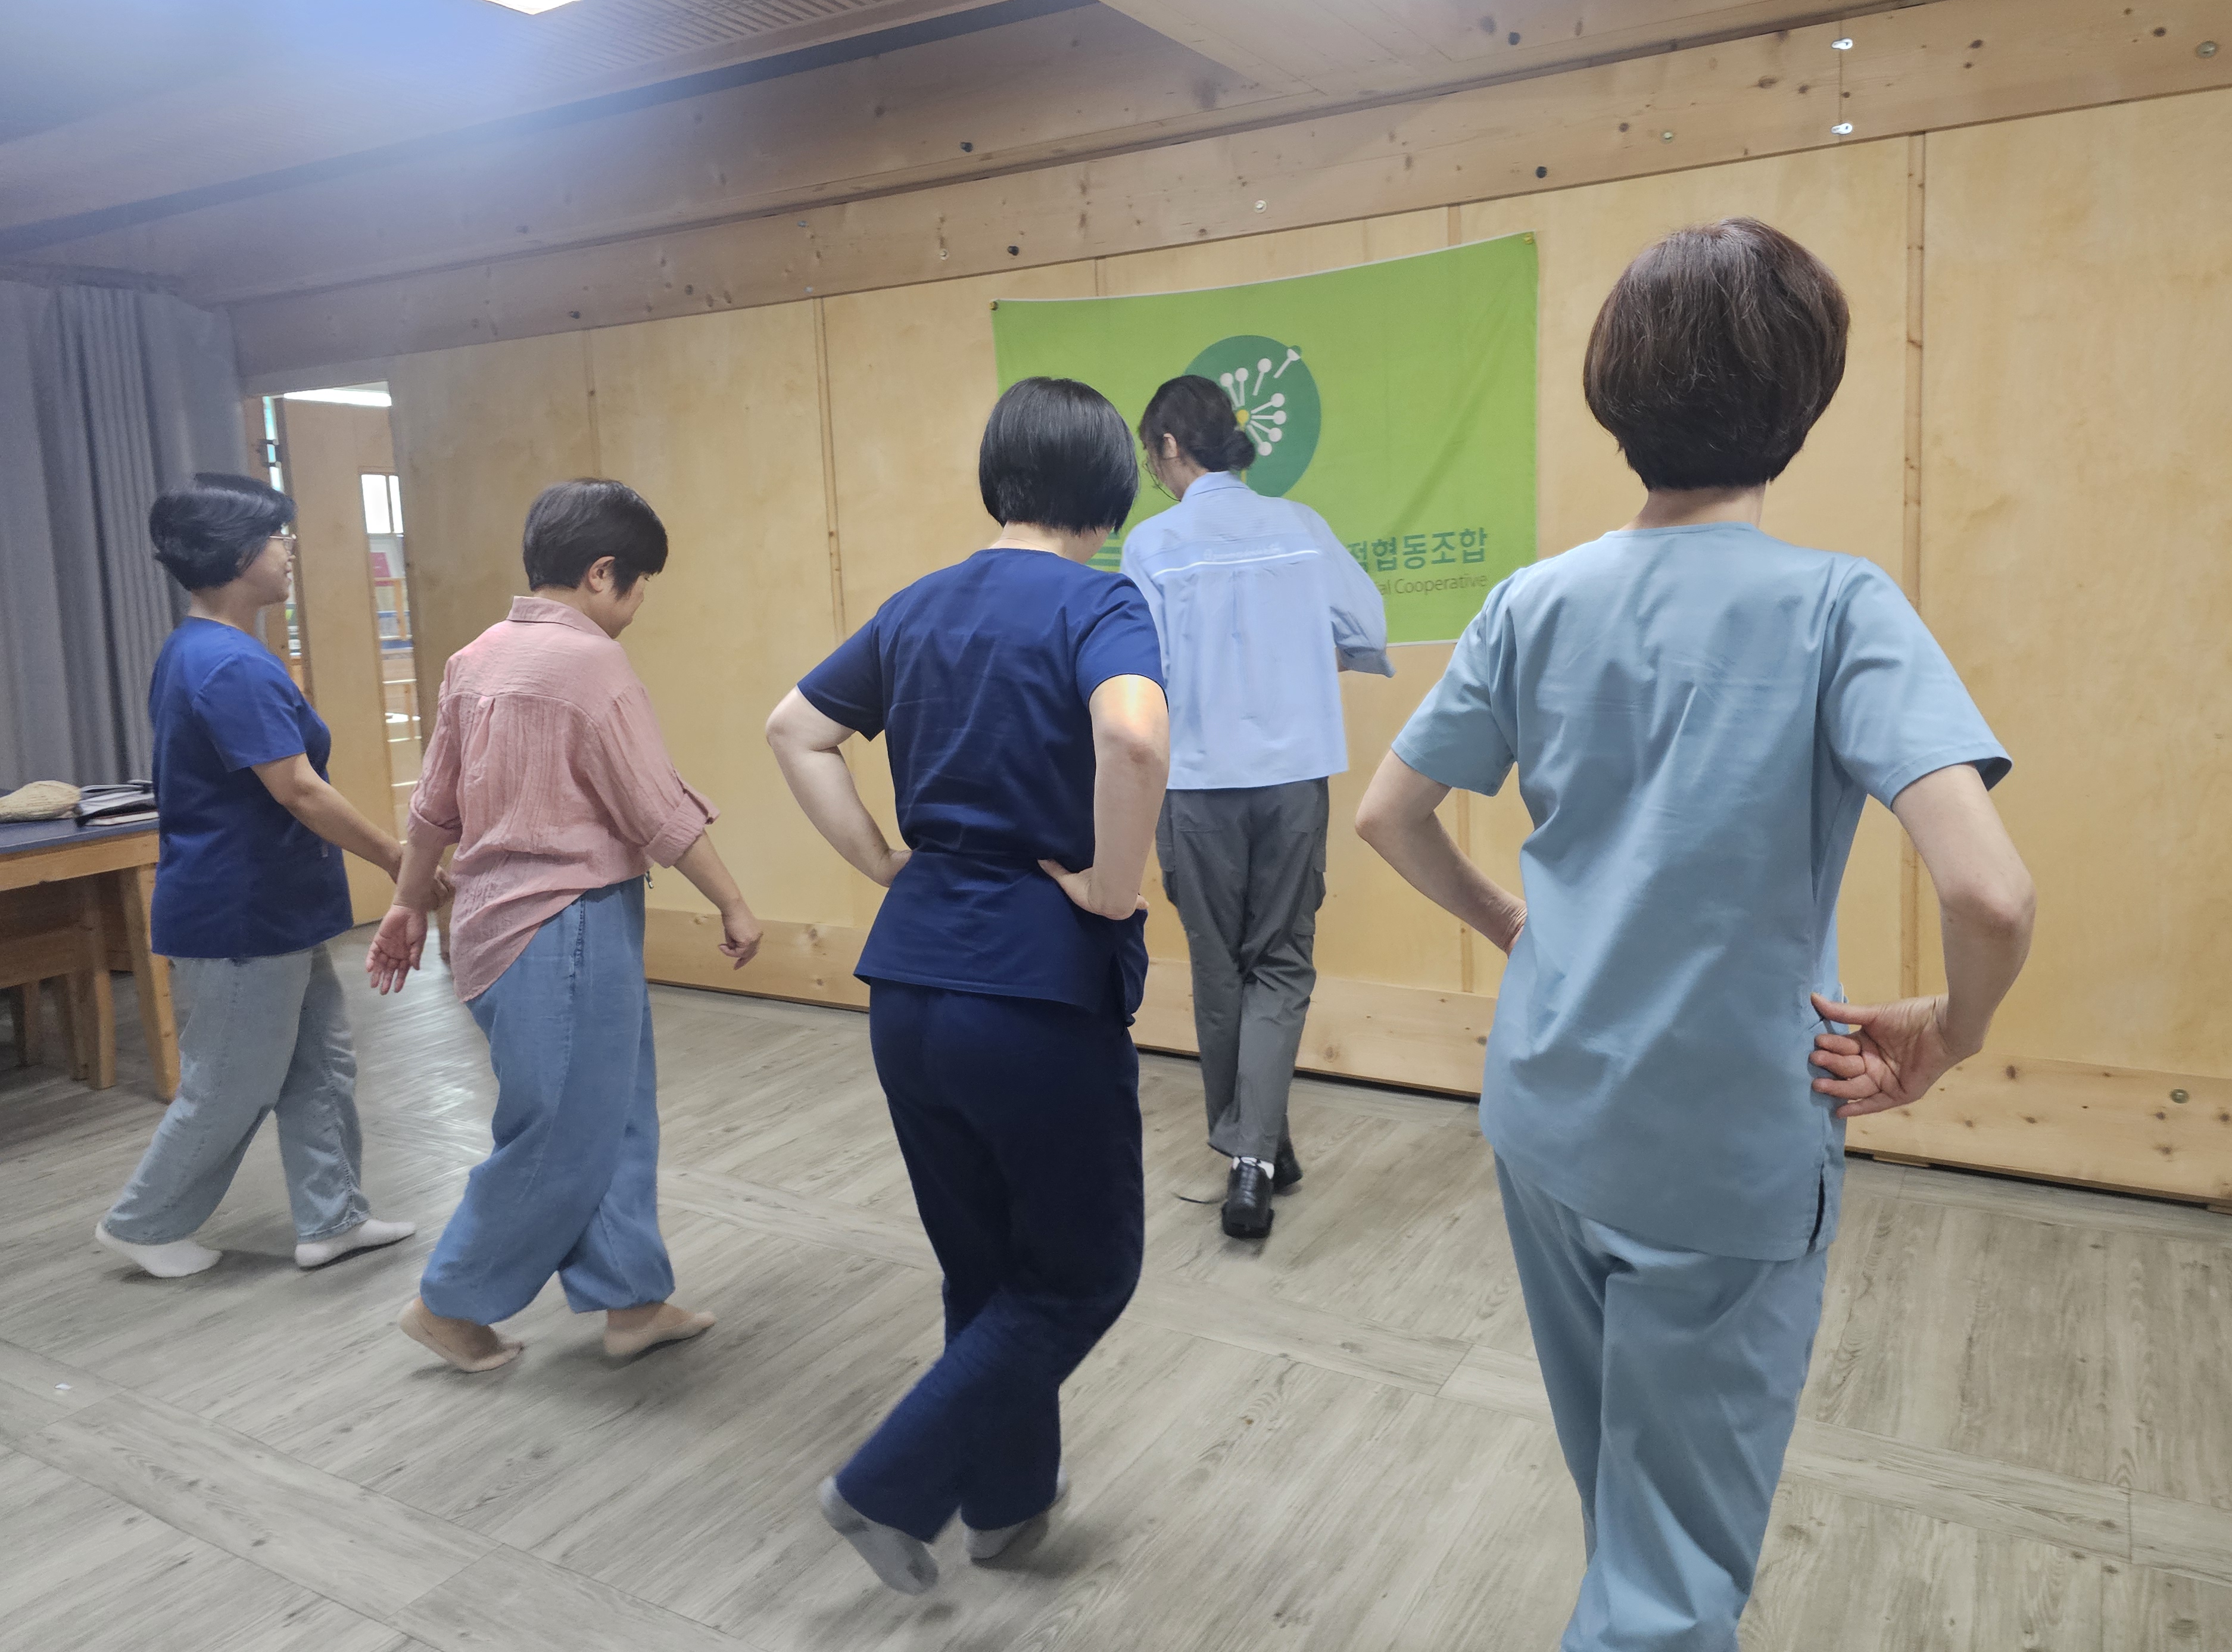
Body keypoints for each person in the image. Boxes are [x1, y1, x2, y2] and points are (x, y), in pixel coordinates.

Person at [1354, 218, 2035, 1651]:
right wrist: (1949, 1033)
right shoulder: (1836, 606)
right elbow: (1988, 894)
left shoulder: (1531, 601)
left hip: (1545, 1112)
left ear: (1614, 394)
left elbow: (1388, 817)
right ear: (1803, 398)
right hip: (1722, 1151)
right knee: (1667, 1582)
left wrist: (1508, 924)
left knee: (1623, 1502)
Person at [766, 376, 1167, 1595]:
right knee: (1084, 1274)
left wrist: (880, 860)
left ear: (1000, 478)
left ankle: (1004, 1503)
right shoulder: (1101, 602)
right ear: (1109, 492)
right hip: (1033, 993)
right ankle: (887, 1486)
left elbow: (794, 729)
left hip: (910, 986)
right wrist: (1110, 889)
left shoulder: (916, 606)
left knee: (985, 1271)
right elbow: (1134, 736)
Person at [366, 478, 762, 1373]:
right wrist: (733, 901)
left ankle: (633, 1300)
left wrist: (407, 900)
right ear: (601, 573)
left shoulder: (475, 659)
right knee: (558, 1134)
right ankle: (449, 1303)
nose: (639, 604)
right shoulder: (591, 665)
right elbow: (656, 808)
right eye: (640, 584)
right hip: (565, 926)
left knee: (611, 1112)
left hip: (501, 925)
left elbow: (433, 805)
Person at [95, 473, 422, 1278]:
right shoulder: (225, 664)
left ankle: (333, 1217)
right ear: (239, 553)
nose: (289, 550)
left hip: (278, 905)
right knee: (230, 1084)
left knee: (320, 1065)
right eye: (278, 536)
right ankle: (144, 1223)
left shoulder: (213, 650)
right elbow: (298, 789)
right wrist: (396, 856)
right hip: (237, 913)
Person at [1120, 375, 1391, 1241]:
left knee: (1219, 966)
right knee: (1279, 960)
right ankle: (1262, 1150)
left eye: (1153, 456)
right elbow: (1365, 630)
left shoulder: (1151, 545)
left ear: (1170, 445)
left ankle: (1249, 1154)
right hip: (1292, 777)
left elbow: (1138, 676)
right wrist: (1293, 668)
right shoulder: (1301, 527)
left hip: (1196, 782)